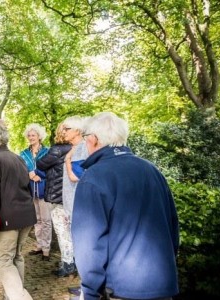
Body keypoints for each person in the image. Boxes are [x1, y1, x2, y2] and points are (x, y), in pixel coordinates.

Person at [72, 112, 179, 300]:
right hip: (162, 285)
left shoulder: (94, 177)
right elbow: (172, 228)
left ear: (93, 139)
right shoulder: (152, 170)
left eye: (85, 139)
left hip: (122, 288)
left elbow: (88, 244)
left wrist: (89, 291)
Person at [0, 125, 36, 300]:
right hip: (26, 215)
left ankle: (18, 296)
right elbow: (27, 187)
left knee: (5, 260)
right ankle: (12, 295)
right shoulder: (18, 158)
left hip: (8, 218)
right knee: (17, 256)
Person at [49, 116, 89, 277]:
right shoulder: (74, 147)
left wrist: (66, 162)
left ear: (78, 131)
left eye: (67, 129)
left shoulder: (82, 148)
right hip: (69, 202)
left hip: (77, 204)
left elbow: (76, 176)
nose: (63, 131)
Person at [36, 123, 73, 264]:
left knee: (62, 232)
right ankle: (71, 262)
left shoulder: (57, 150)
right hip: (70, 194)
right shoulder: (77, 148)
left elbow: (41, 164)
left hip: (57, 195)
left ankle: (67, 264)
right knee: (70, 231)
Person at [19, 123, 51, 261]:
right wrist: (29, 174)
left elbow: (51, 169)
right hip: (31, 191)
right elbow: (20, 170)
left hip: (44, 189)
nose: (31, 137)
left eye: (34, 135)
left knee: (46, 220)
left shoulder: (48, 151)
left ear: (39, 136)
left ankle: (46, 249)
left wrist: (40, 175)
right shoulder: (23, 153)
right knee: (36, 219)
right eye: (29, 135)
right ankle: (39, 245)